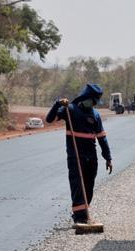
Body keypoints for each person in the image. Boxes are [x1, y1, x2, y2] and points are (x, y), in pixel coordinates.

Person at [46, 83, 112, 224]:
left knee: (88, 185)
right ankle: (79, 217)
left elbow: (102, 138)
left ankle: (84, 212)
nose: (93, 103)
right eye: (92, 100)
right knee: (78, 185)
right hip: (75, 156)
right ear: (86, 97)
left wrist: (108, 157)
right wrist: (57, 104)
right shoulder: (70, 110)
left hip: (91, 157)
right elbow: (49, 119)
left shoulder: (95, 115)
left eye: (95, 102)